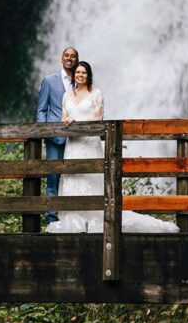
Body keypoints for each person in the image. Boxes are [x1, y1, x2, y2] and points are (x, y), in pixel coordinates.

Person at [46, 61, 179, 234]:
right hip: (73, 145)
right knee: (74, 178)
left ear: (88, 75)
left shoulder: (96, 93)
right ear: (73, 75)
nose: (80, 75)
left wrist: (78, 123)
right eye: (78, 72)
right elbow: (65, 117)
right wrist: (68, 122)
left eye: (84, 73)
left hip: (89, 144)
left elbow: (98, 118)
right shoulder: (67, 95)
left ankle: (95, 218)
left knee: (91, 178)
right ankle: (74, 217)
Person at [36, 47, 79, 223]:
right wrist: (46, 132)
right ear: (62, 58)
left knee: (75, 177)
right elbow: (41, 110)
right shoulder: (49, 80)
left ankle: (73, 217)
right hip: (55, 139)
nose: (69, 58)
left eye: (73, 56)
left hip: (76, 140)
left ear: (77, 60)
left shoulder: (81, 81)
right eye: (67, 55)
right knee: (53, 178)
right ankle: (52, 219)